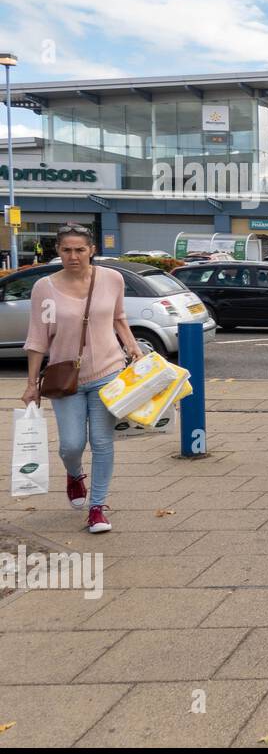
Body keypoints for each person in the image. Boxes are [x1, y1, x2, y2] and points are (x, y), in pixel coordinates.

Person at [22, 223, 144, 533]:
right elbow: (38, 338)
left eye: (80, 250)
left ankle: (98, 508)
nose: (73, 256)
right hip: (65, 379)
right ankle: (74, 474)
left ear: (92, 250)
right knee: (71, 445)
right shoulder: (44, 288)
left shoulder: (112, 279)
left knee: (102, 443)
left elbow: (118, 317)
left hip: (108, 371)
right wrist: (31, 384)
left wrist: (132, 347)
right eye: (66, 250)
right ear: (58, 252)